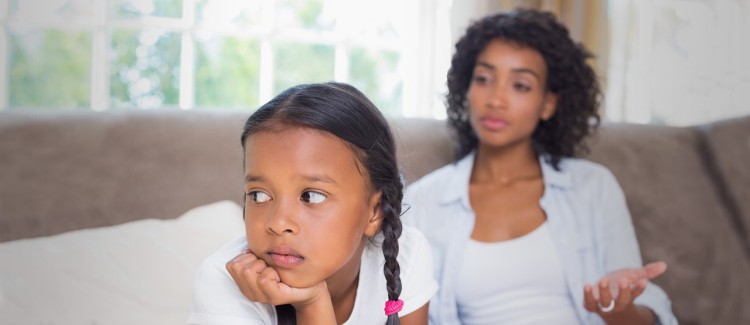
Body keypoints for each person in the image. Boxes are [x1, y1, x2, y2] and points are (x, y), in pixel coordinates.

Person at [403, 9, 678, 325]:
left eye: (520, 85)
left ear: (549, 103)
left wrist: (616, 307)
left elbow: (640, 312)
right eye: (484, 79)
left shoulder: (593, 186)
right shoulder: (423, 200)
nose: (496, 99)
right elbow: (396, 307)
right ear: (467, 88)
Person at [188, 82, 438, 325]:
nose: (278, 222)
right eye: (259, 195)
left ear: (374, 211)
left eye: (311, 196)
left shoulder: (406, 255)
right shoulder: (221, 281)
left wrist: (312, 302)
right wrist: (313, 302)